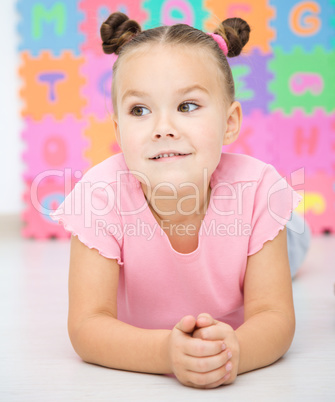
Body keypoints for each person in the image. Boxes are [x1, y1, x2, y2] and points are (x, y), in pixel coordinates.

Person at [50, 12, 310, 389]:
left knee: (293, 245)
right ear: (119, 130)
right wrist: (164, 353)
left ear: (230, 122)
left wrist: (234, 350)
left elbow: (274, 316)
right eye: (140, 110)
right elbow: (87, 325)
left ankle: (295, 235)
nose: (163, 128)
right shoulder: (98, 196)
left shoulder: (258, 190)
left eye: (187, 106)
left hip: (263, 230)